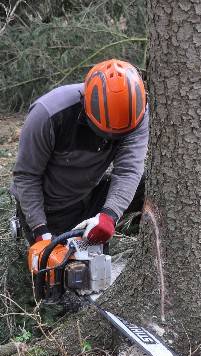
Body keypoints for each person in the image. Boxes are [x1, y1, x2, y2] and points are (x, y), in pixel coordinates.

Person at [11, 59, 149, 247]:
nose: (109, 139)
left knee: (150, 185)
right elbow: (27, 176)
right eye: (104, 132)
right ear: (86, 105)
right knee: (64, 268)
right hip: (50, 208)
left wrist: (109, 215)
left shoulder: (136, 112)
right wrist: (40, 229)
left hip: (89, 194)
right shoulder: (49, 115)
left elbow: (128, 170)